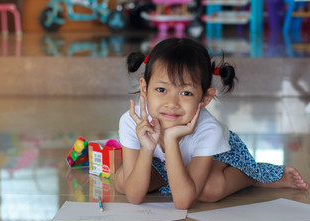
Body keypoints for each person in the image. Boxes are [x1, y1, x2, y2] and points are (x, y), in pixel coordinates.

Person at [115, 38, 309, 210]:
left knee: (208, 190)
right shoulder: (131, 122)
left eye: (186, 93)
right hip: (162, 164)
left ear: (205, 98)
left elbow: (183, 203)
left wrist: (171, 139)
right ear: (144, 88)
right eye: (161, 89)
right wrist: (147, 150)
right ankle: (175, 178)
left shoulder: (209, 129)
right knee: (124, 181)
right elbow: (134, 196)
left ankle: (251, 176)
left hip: (219, 155)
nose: (171, 103)